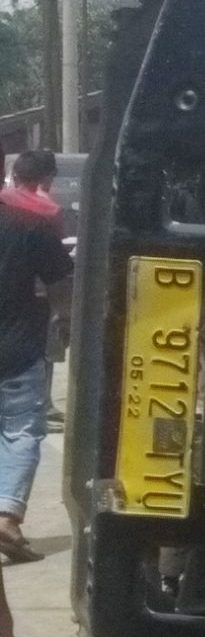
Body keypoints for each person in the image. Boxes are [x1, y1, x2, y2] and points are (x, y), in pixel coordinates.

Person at [0, 149, 71, 574]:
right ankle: (7, 518)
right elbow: (61, 284)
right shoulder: (35, 222)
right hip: (18, 346)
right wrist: (64, 320)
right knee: (21, 430)